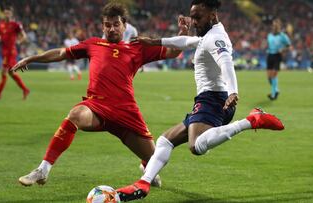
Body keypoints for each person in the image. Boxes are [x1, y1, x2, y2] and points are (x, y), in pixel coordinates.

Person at [116, 0, 285, 201]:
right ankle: (143, 183)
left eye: (198, 17)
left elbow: (226, 62)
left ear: (212, 15)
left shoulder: (216, 38)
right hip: (208, 100)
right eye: (192, 16)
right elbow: (187, 43)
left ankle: (251, 120)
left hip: (214, 100)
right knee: (165, 140)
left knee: (195, 146)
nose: (194, 21)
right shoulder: (209, 34)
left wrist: (233, 91)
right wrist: (155, 41)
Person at [13, 2, 186, 187]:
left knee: (157, 160)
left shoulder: (138, 47)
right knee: (76, 115)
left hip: (126, 112)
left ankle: (146, 165)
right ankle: (43, 170)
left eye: (116, 24)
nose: (111, 29)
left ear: (124, 25)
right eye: (107, 25)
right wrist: (31, 58)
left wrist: (183, 33)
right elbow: (61, 53)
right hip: (97, 108)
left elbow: (174, 52)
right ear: (102, 26)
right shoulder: (93, 44)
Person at [0, 6, 30, 100]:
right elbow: (0, 36)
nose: (7, 14)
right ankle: (25, 89)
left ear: (11, 14)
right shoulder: (1, 25)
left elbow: (24, 36)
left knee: (3, 72)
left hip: (11, 52)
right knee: (11, 73)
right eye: (5, 13)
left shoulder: (15, 24)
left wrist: (19, 42)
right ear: (3, 14)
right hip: (4, 51)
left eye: (8, 13)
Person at [266, 19, 291, 100]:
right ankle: (276, 89)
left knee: (274, 74)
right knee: (269, 77)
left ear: (279, 26)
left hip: (277, 56)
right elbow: (269, 45)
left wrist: (283, 50)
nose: (275, 27)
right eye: (273, 25)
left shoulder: (283, 36)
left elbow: (289, 46)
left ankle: (273, 94)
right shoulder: (269, 35)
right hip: (270, 55)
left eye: (276, 25)